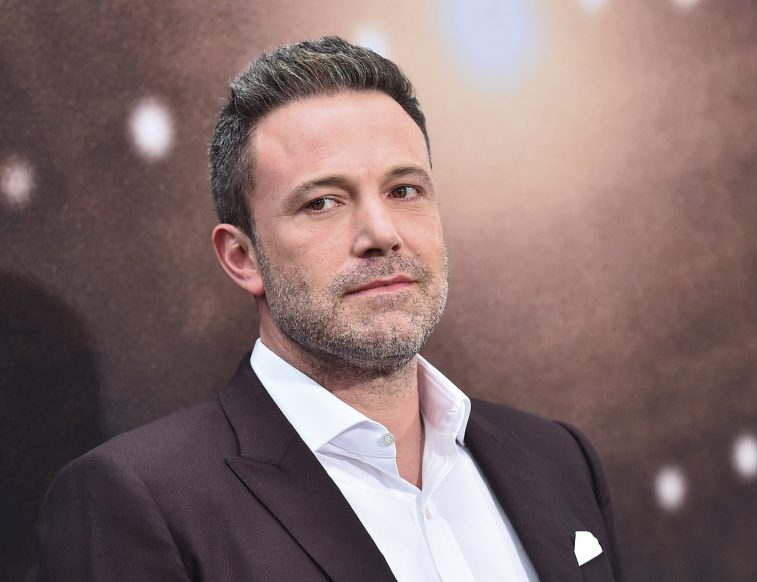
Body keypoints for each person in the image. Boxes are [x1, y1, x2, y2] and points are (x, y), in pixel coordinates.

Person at [28, 36, 623, 582]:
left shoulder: (558, 458)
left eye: (405, 190)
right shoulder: (136, 500)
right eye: (323, 202)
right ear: (242, 257)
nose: (382, 233)